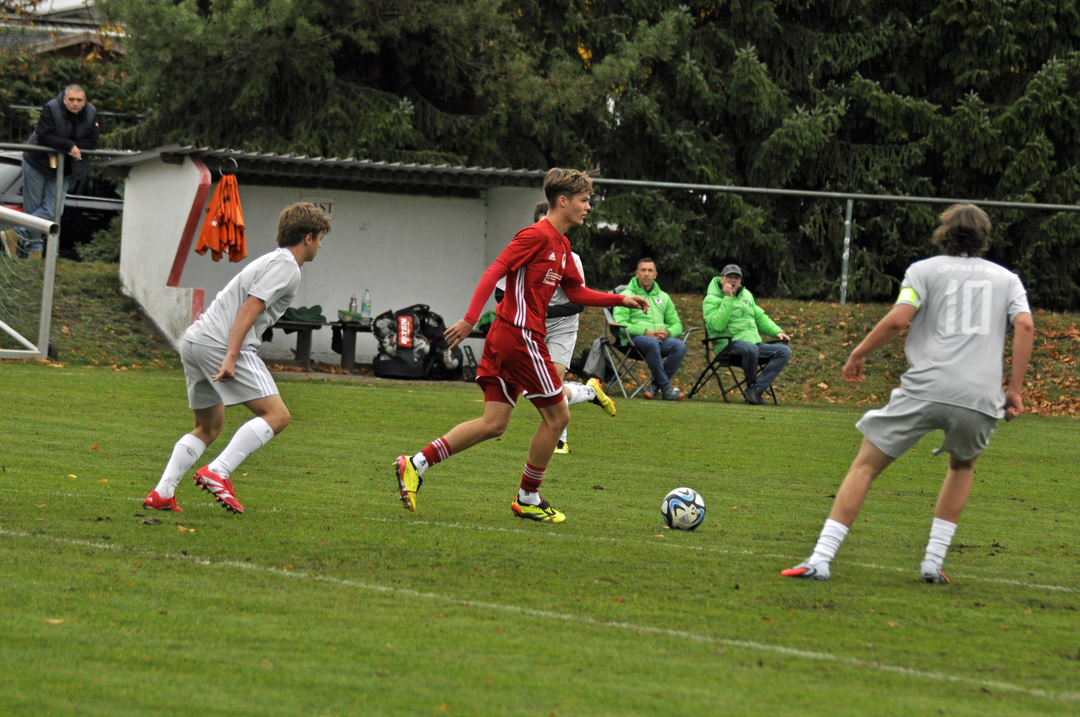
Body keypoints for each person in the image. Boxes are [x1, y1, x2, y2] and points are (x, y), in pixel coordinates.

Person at [782, 204, 1033, 584]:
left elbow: (899, 319)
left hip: (928, 386)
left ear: (944, 232)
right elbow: (1025, 325)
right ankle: (933, 562)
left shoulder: (924, 269)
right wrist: (1014, 390)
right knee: (962, 467)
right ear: (984, 236)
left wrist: (858, 353)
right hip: (980, 394)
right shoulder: (1008, 279)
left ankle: (821, 558)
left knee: (865, 466)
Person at [394, 168, 649, 523]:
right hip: (520, 336)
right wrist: (470, 318)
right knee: (558, 416)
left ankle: (416, 464)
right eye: (584, 200)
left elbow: (576, 292)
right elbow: (493, 272)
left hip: (509, 336)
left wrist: (620, 300)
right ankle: (528, 496)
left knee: (494, 423)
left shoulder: (562, 246)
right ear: (563, 201)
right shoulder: (536, 235)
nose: (589, 207)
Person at [143, 202, 331, 514]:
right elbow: (250, 307)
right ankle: (218, 471)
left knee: (208, 427)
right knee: (278, 415)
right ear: (308, 237)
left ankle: (162, 493)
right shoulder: (286, 265)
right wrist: (231, 356)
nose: (321, 245)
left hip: (197, 340)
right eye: (321, 238)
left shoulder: (274, 260)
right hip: (222, 344)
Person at [495, 201, 618, 455]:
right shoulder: (523, 251)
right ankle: (588, 391)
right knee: (539, 389)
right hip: (528, 328)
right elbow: (499, 294)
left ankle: (561, 440)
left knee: (553, 381)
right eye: (543, 225)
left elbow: (578, 303)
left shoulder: (571, 258)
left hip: (562, 326)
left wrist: (540, 311)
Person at [8, 85, 99, 261]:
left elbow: (93, 142)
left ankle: (15, 233)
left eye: (79, 100)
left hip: (64, 167)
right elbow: (43, 136)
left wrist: (68, 146)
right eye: (71, 99)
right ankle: (34, 252)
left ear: (85, 101)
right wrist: (69, 146)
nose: (75, 103)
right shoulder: (52, 108)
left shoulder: (91, 113)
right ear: (64, 99)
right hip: (37, 162)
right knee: (33, 208)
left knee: (54, 210)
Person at [702, 264, 792, 405]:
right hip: (727, 346)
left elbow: (760, 317)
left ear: (740, 281)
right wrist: (728, 298)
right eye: (729, 277)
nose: (733, 280)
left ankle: (756, 390)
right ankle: (751, 386)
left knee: (784, 351)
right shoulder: (710, 299)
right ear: (722, 278)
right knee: (751, 349)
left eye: (736, 278)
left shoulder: (747, 295)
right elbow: (717, 325)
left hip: (753, 345)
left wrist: (777, 331)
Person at [612, 258, 687, 401]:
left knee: (679, 346)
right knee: (651, 343)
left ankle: (655, 386)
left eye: (650, 270)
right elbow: (619, 324)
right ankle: (666, 388)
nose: (646, 274)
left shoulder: (664, 297)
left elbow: (677, 325)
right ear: (637, 273)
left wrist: (667, 333)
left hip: (659, 341)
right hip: (633, 341)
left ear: (655, 275)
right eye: (643, 270)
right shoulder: (626, 295)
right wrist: (645, 332)